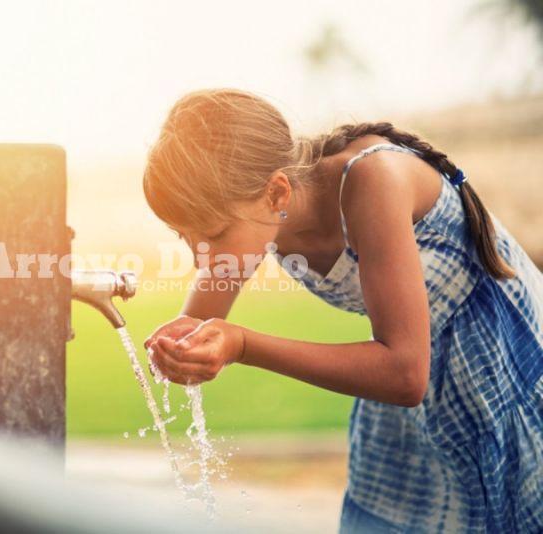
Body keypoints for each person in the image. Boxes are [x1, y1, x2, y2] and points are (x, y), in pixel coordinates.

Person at [142, 88, 543, 532]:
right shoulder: (262, 212)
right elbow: (198, 322)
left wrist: (241, 345)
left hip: (502, 367)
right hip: (416, 390)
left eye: (213, 234)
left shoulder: (372, 181)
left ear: (277, 192)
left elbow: (405, 374)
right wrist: (183, 348)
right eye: (185, 237)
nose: (201, 256)